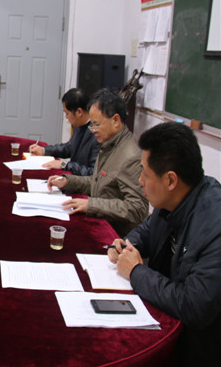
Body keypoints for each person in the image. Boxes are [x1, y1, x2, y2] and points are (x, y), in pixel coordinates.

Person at [107, 122, 221, 366]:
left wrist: (136, 272)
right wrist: (126, 246)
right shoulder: (173, 199)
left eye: (145, 174)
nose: (140, 181)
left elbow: (194, 305)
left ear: (170, 180)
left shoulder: (215, 225)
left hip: (195, 350)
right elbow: (146, 232)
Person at [47, 89, 148, 236]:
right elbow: (98, 182)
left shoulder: (130, 157)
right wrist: (68, 181)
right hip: (101, 222)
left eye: (96, 124)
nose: (93, 130)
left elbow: (137, 209)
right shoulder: (109, 143)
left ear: (116, 120)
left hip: (115, 235)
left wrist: (92, 205)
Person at [29, 88, 99, 175]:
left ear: (79, 112)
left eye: (67, 113)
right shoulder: (79, 125)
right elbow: (69, 148)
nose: (66, 117)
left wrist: (64, 165)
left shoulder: (97, 134)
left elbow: (93, 173)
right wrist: (43, 150)